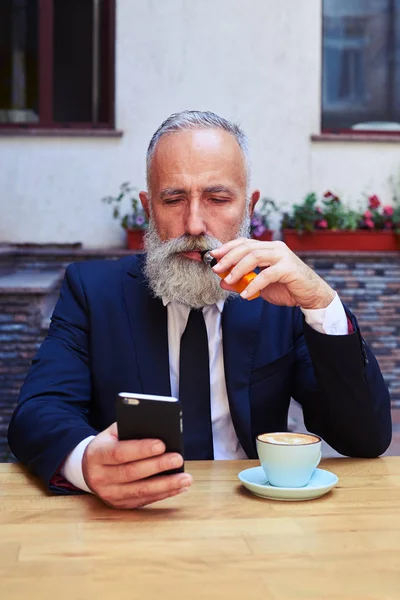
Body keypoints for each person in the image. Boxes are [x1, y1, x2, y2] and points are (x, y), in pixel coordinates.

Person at [8, 111, 391, 509]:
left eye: (218, 198)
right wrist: (86, 461)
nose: (194, 224)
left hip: (256, 515)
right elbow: (38, 412)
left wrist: (321, 304)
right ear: (148, 208)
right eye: (173, 199)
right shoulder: (92, 291)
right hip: (134, 515)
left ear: (249, 207)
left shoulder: (282, 299)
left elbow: (364, 437)